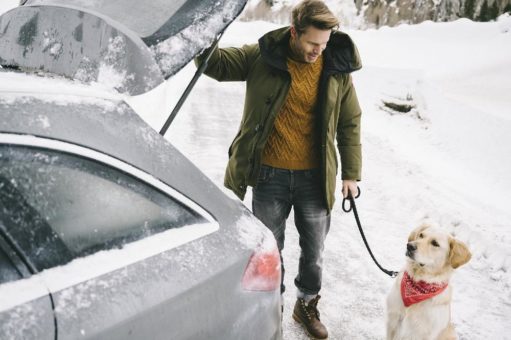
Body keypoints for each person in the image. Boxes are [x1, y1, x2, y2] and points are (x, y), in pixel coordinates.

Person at [196, 0, 362, 338]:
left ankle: (306, 304)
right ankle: (274, 306)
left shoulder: (335, 69)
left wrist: (350, 174)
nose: (319, 50)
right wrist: (201, 32)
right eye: (312, 43)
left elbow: (349, 122)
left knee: (314, 252)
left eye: (325, 43)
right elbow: (215, 64)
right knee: (270, 250)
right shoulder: (263, 56)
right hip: (269, 175)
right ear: (294, 33)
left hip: (315, 179)